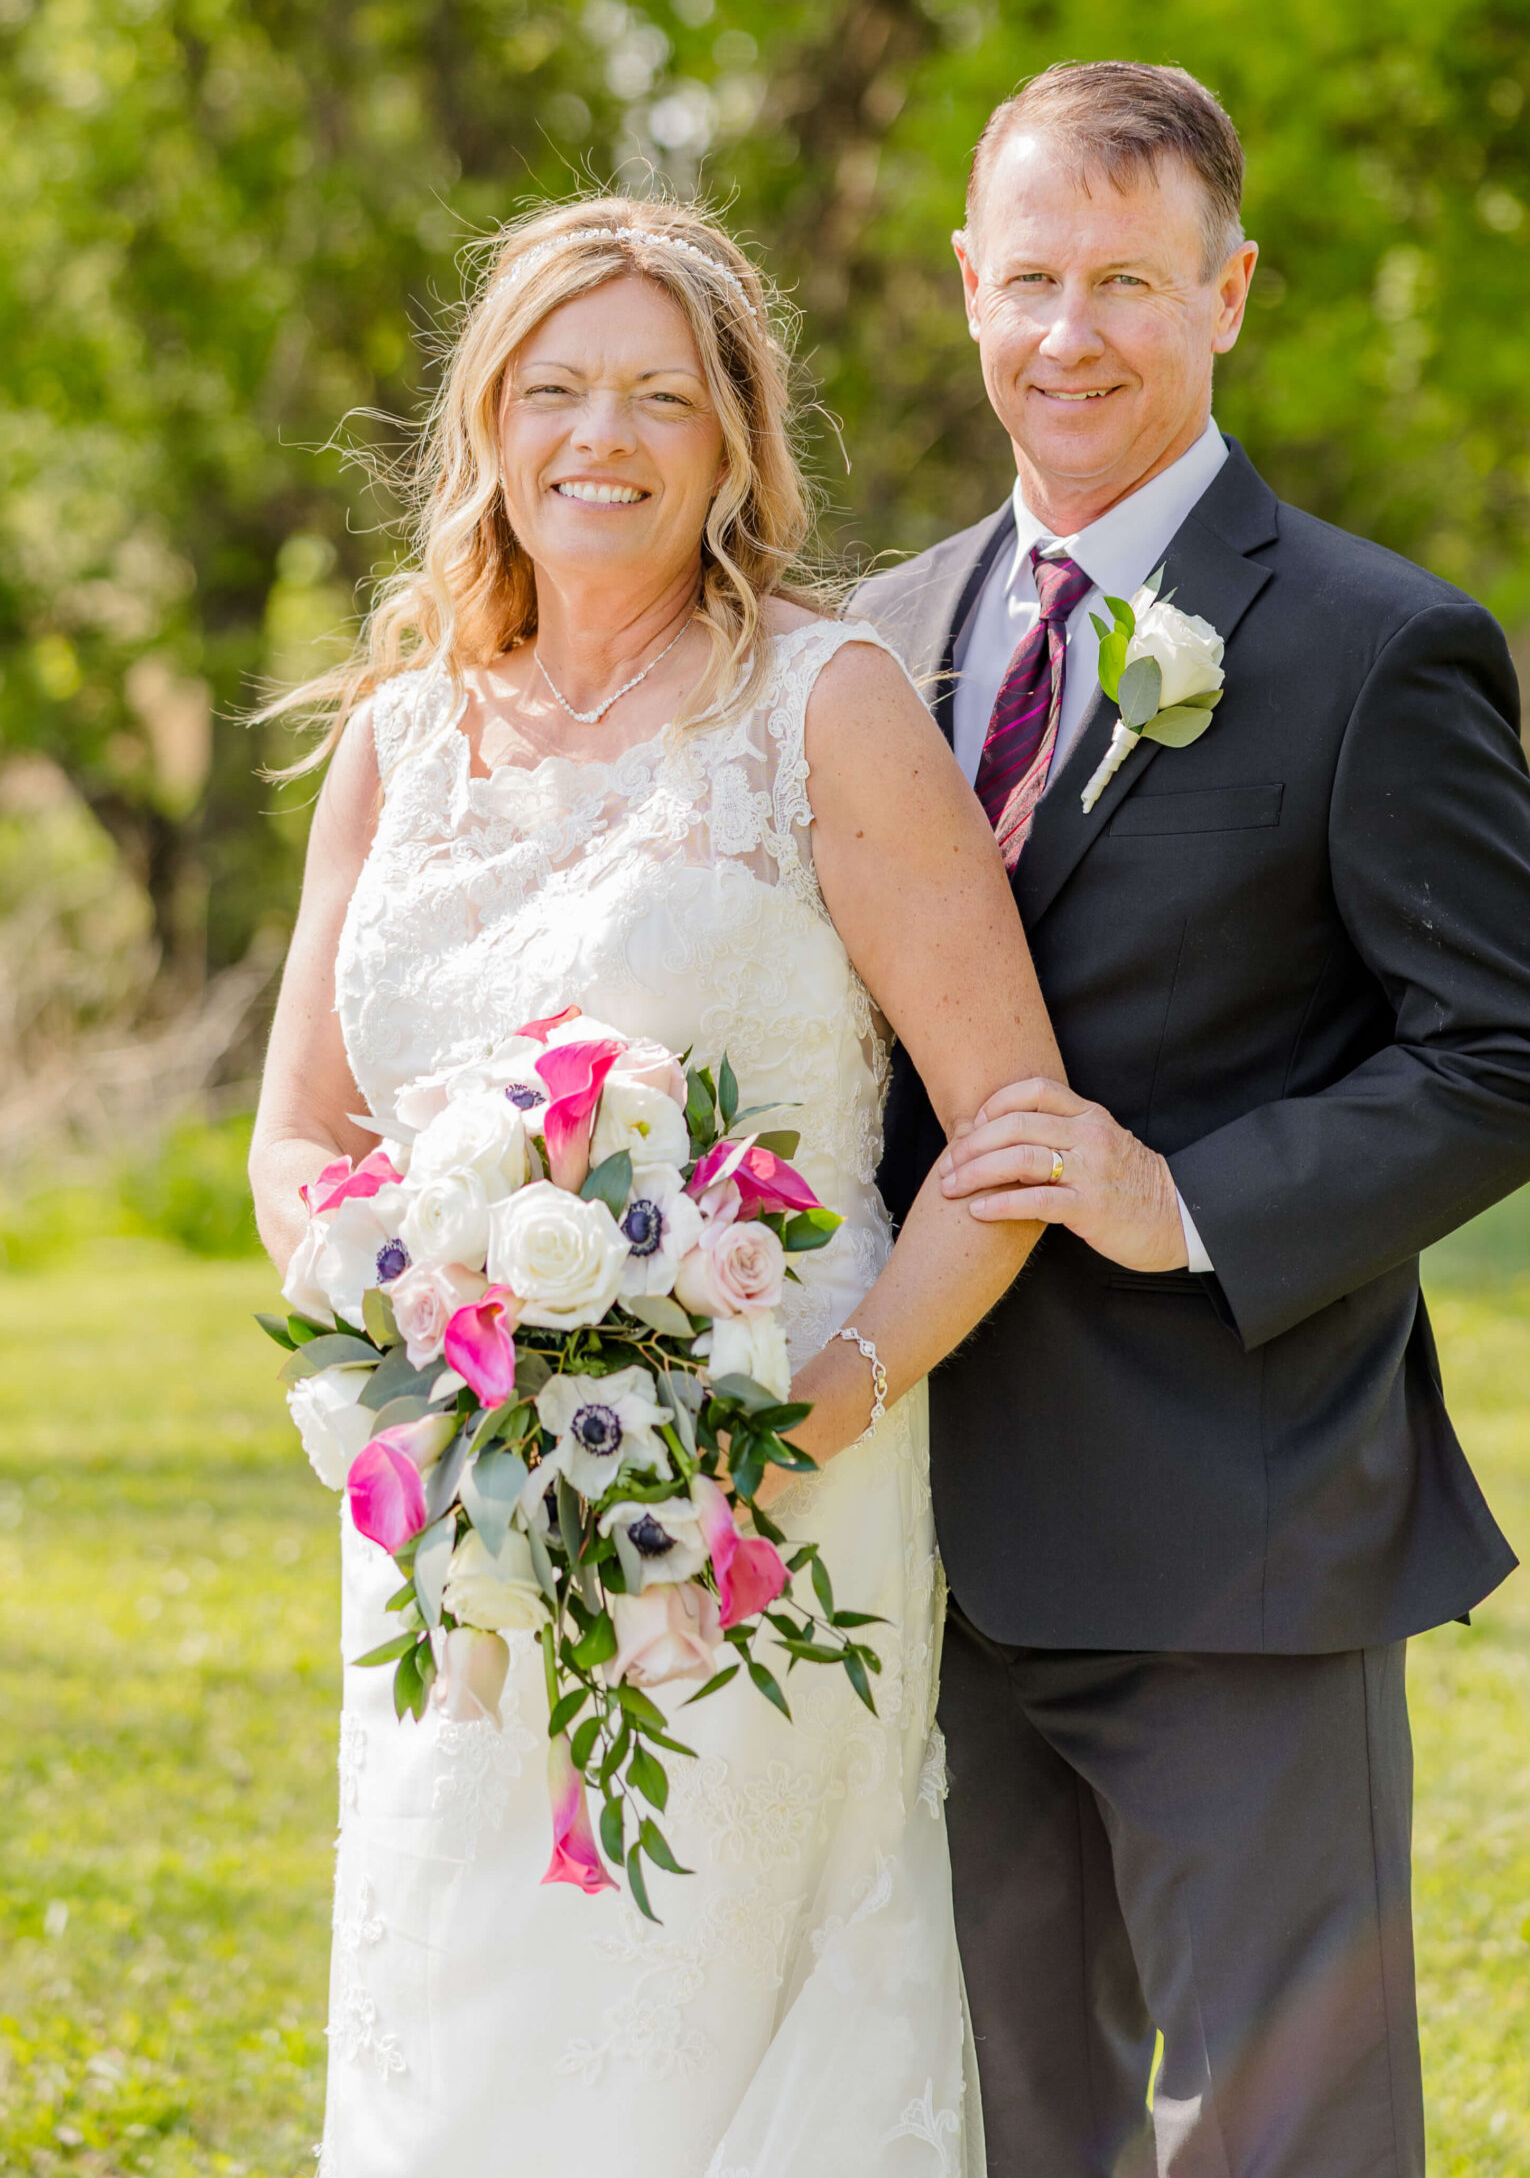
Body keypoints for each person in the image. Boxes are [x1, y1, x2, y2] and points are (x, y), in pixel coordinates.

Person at [855, 61, 1530, 2178]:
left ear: (1227, 293)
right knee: (1009, 2121)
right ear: (961, 288)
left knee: (1283, 2139)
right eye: (1025, 278)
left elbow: (1526, 1050)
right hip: (920, 1532)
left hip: (1234, 1524)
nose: (1066, 333)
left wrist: (1176, 1193)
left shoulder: (1377, 648)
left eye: (1123, 278)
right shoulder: (868, 643)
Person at [248, 195, 1059, 2178]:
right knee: (468, 1997)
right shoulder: (398, 733)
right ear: (486, 424)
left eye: (655, 395)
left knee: (694, 2007)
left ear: (728, 439)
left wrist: (811, 1409)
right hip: (459, 1512)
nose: (597, 436)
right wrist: (416, 1372)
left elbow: (1011, 1129)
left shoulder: (819, 703)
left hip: (760, 1487)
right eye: (551, 388)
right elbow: (298, 1135)